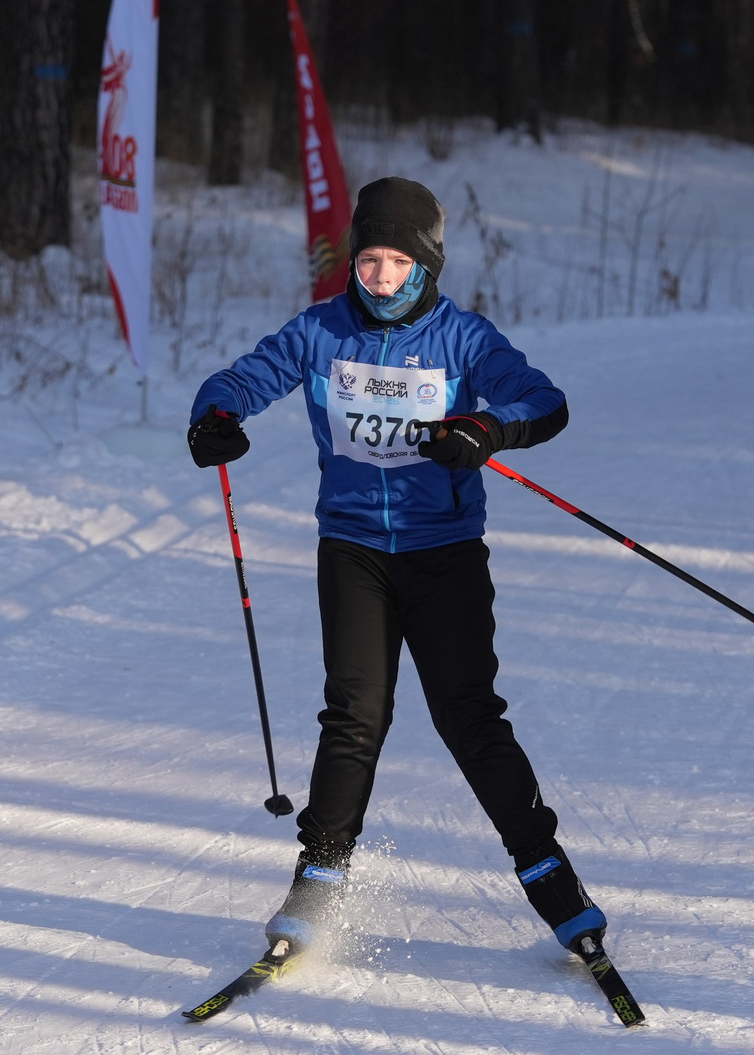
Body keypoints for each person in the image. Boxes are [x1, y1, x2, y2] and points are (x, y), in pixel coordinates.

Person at [186, 176, 611, 974]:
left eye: (398, 263)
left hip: (444, 552)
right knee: (354, 716)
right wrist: (215, 415)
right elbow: (243, 377)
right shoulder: (321, 330)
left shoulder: (463, 338)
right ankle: (317, 882)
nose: (380, 279)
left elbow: (542, 401)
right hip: (352, 549)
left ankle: (554, 882)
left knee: (469, 717)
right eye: (368, 260)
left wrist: (486, 427)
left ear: (427, 265)